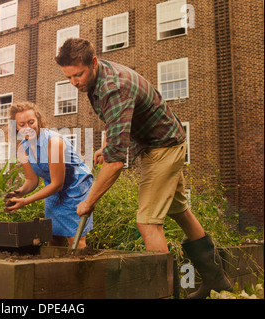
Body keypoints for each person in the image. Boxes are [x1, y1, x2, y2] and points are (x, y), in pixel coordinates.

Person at [55, 38, 232, 298]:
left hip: (162, 147)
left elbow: (116, 164)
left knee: (147, 222)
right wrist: (108, 144)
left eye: (78, 75)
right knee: (180, 211)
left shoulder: (114, 87)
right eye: (69, 77)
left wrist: (89, 201)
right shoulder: (98, 78)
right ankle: (218, 282)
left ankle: (160, 294)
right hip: (162, 141)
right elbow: (116, 119)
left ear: (93, 62)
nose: (74, 83)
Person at [4, 102, 94, 248]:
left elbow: (58, 183)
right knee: (53, 237)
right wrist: (20, 193)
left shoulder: (54, 142)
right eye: (22, 124)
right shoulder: (23, 148)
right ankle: (56, 270)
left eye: (31, 122)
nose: (27, 127)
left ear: (38, 121)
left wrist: (26, 201)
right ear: (16, 127)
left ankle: (81, 268)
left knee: (75, 240)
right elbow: (31, 180)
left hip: (75, 187)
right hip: (52, 188)